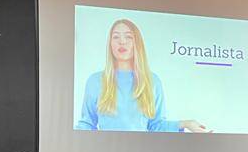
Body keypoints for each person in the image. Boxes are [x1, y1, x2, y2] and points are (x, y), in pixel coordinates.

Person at [76, 17, 209, 133]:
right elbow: (86, 124)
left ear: (137, 43)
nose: (122, 41)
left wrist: (186, 124)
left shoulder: (152, 81)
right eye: (116, 37)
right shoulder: (95, 81)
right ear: (110, 44)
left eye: (128, 37)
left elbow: (156, 126)